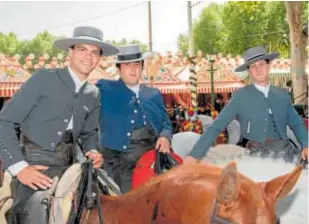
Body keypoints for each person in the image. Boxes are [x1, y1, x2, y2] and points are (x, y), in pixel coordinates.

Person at [0, 26, 118, 223]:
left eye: (95, 52)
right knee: (30, 213)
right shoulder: (43, 78)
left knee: (115, 200)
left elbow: (89, 132)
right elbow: (4, 121)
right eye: (82, 49)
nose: (89, 56)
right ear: (70, 52)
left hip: (74, 166)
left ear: (99, 58)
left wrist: (93, 151)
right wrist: (20, 168)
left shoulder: (94, 93)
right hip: (35, 163)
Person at [185, 46, 308, 162]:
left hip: (286, 151)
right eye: (253, 66)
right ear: (248, 70)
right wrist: (194, 155)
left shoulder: (282, 94)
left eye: (261, 64)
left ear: (269, 65)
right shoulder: (240, 96)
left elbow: (296, 123)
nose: (258, 69)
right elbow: (217, 125)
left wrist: (306, 145)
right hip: (256, 154)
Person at [96, 44, 173, 193]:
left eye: (137, 65)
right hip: (119, 161)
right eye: (127, 65)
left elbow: (166, 123)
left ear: (142, 67)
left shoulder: (153, 93)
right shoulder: (104, 88)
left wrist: (165, 137)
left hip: (152, 157)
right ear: (119, 69)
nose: (133, 70)